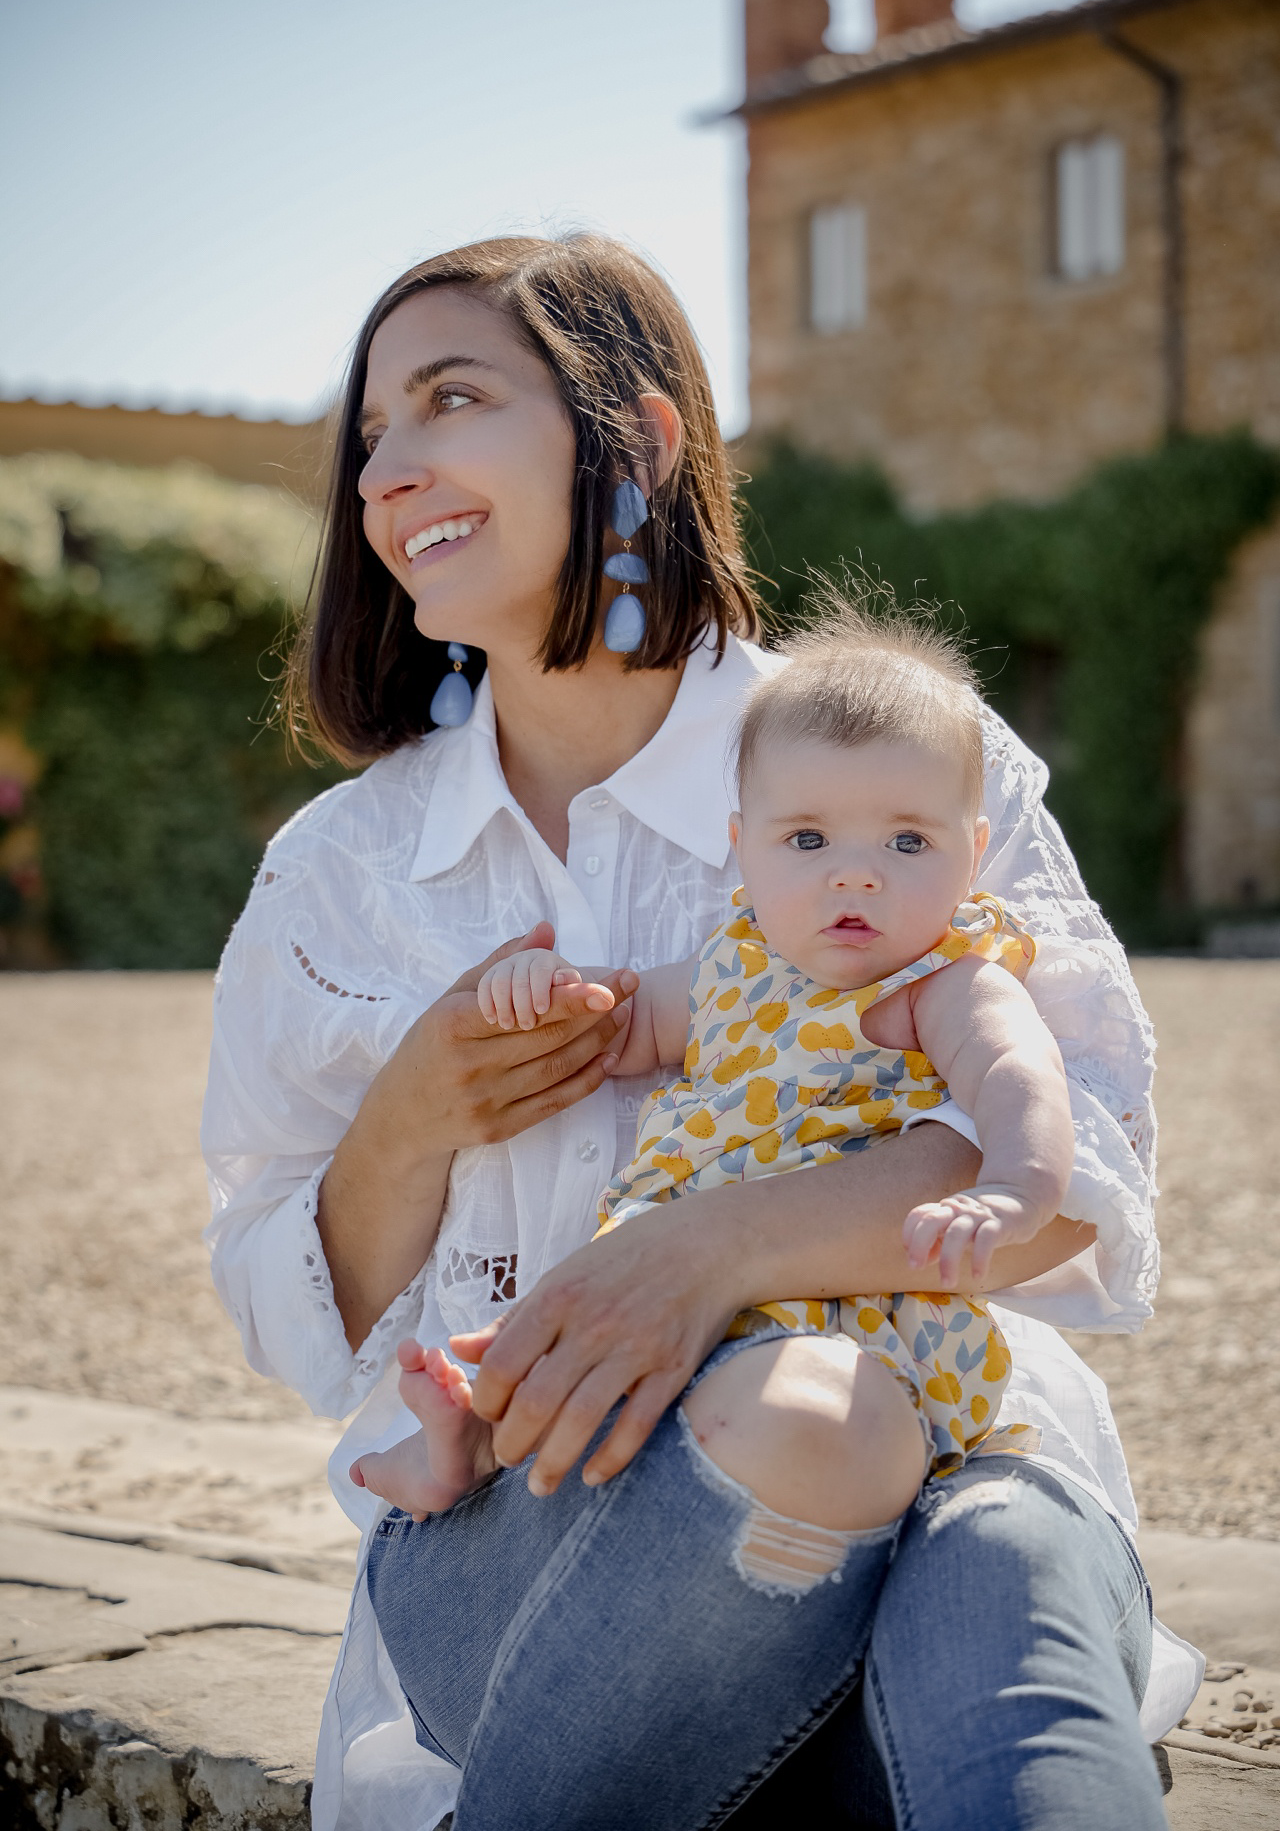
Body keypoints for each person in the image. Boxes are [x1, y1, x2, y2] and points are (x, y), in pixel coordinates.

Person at [201, 232, 1192, 1831]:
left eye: (451, 399)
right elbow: (281, 1306)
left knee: (997, 1548)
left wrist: (713, 1248)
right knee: (826, 1434)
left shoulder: (910, 759)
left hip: (949, 1456)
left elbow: (1087, 1180)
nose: (388, 470)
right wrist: (405, 1122)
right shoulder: (340, 875)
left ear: (640, 441)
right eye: (371, 432)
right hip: (530, 1543)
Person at [353, 605, 1075, 1532]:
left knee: (691, 1390)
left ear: (972, 856)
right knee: (571, 1337)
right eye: (808, 841)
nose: (856, 875)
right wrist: (541, 989)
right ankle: (462, 1438)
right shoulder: (731, 966)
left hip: (831, 1298)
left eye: (907, 842)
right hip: (658, 1261)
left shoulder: (943, 983)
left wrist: (1016, 1188)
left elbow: (1020, 1076)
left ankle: (537, 1457)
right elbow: (611, 1026)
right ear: (743, 850)